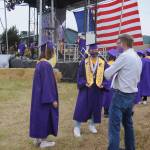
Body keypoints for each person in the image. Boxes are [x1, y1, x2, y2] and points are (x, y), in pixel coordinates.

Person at [104, 34, 142, 150]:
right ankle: (130, 147)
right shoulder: (137, 57)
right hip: (131, 94)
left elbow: (107, 74)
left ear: (124, 43)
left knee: (114, 126)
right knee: (128, 124)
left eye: (118, 43)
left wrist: (110, 67)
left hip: (121, 95)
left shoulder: (124, 56)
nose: (116, 45)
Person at [73, 43, 109, 137]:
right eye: (92, 50)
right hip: (86, 88)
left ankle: (92, 124)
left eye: (95, 50)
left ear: (98, 51)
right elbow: (80, 75)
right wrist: (84, 83)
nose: (93, 51)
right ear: (89, 51)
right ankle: (77, 127)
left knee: (96, 107)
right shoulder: (84, 62)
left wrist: (104, 84)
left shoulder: (102, 62)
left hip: (97, 89)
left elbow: (106, 77)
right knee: (81, 107)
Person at [29, 41, 59, 148]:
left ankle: (37, 139)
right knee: (44, 116)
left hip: (38, 96)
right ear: (48, 52)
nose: (52, 54)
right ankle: (43, 141)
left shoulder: (39, 63)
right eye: (52, 52)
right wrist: (52, 100)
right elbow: (47, 84)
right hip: (45, 97)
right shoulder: (46, 65)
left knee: (38, 116)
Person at [103, 49, 118, 118]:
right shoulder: (117, 65)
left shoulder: (105, 64)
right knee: (113, 98)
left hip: (107, 83)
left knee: (106, 98)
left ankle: (106, 112)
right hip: (114, 83)